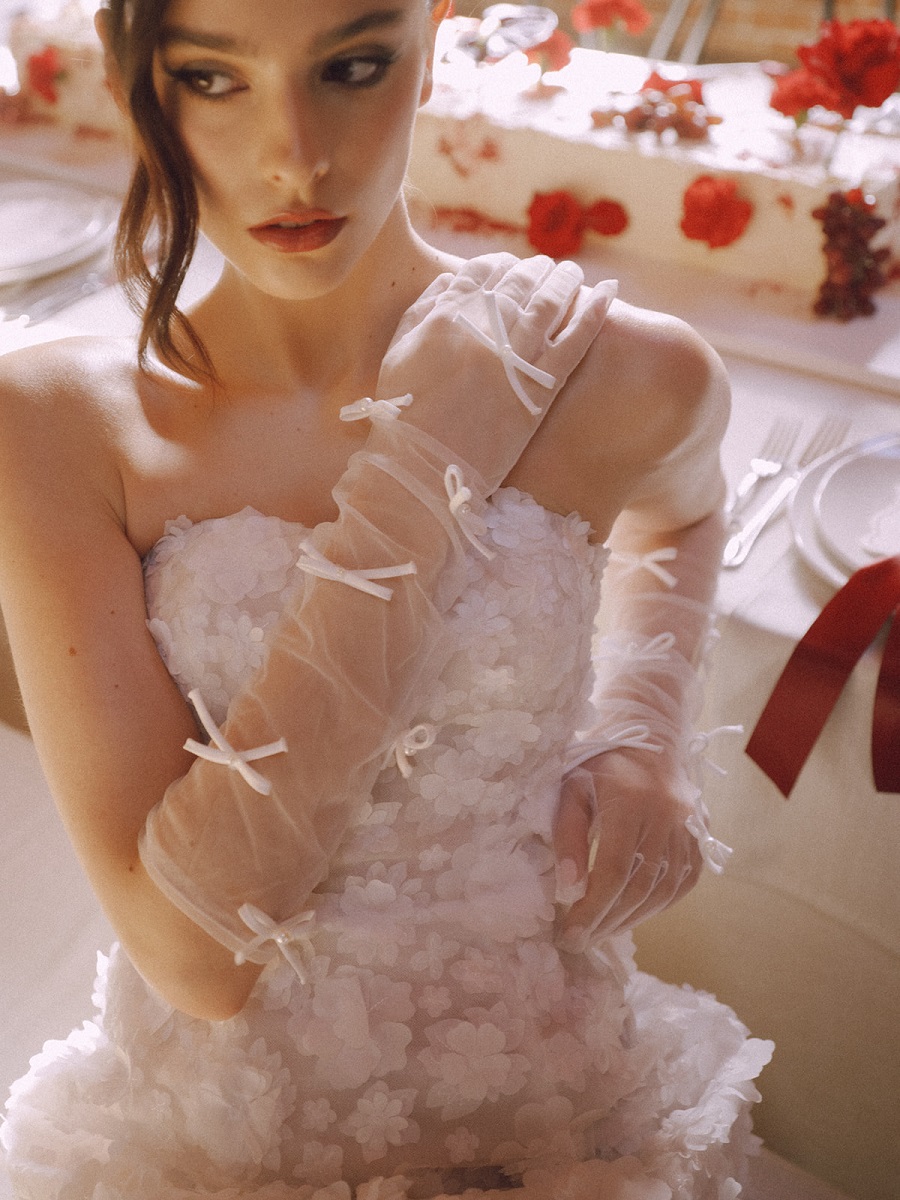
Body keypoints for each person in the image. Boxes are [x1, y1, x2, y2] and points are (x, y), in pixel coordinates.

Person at [0, 0, 773, 1196]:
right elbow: (197, 957)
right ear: (132, 74)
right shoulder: (58, 428)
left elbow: (684, 513)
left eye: (353, 66)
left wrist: (645, 726)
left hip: (563, 1099)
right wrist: (431, 457)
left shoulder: (629, 370)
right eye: (214, 79)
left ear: (433, 37)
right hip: (215, 1136)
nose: (295, 156)